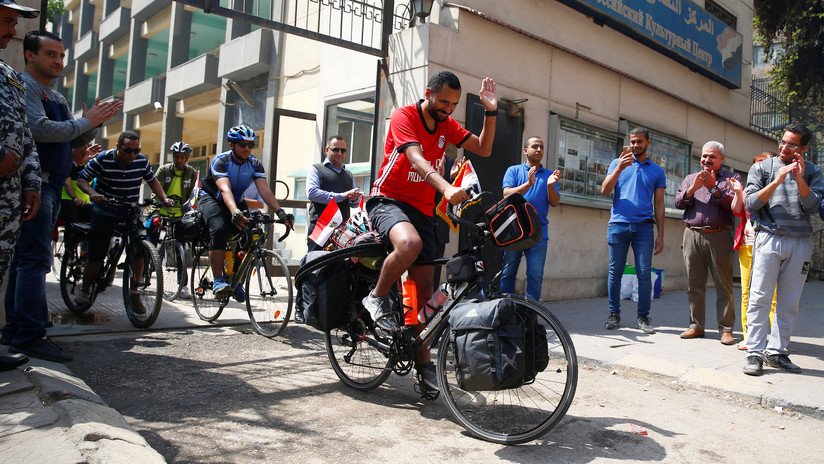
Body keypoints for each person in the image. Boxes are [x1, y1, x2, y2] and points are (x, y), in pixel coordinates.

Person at [364, 71, 498, 389]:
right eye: (443, 102)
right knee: (408, 244)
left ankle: (423, 365)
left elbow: (484, 148)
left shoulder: (446, 123)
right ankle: (376, 296)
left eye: (453, 104)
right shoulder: (404, 116)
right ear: (429, 93)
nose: (449, 109)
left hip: (423, 210)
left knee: (423, 294)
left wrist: (490, 111)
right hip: (388, 201)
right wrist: (446, 188)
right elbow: (415, 157)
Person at [4, 29, 121, 363]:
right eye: (50, 54)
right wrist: (83, 121)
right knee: (34, 261)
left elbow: (69, 142)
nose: (58, 61)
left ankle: (17, 331)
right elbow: (38, 129)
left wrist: (91, 125)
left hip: (52, 183)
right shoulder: (24, 86)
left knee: (28, 260)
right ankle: (29, 334)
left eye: (60, 56)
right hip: (36, 184)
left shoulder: (55, 96)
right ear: (29, 55)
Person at [742, 123, 824, 376]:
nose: (784, 147)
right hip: (768, 237)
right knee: (759, 297)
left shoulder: (813, 171)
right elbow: (751, 203)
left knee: (789, 301)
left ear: (804, 148)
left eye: (791, 144)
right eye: (782, 141)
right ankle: (755, 352)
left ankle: (777, 352)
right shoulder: (762, 167)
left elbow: (814, 207)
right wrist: (777, 180)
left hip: (799, 241)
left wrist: (799, 178)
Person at [73, 131, 175, 311]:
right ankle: (85, 288)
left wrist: (164, 198)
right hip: (105, 210)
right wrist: (94, 194)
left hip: (130, 209)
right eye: (128, 151)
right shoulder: (103, 159)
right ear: (119, 147)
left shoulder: (141, 161)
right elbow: (82, 180)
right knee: (97, 252)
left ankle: (134, 291)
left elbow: (152, 181)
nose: (133, 155)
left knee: (139, 250)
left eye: (137, 151)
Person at [198, 124, 294, 300]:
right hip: (213, 198)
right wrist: (234, 211)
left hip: (235, 199)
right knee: (218, 230)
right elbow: (225, 188)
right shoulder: (221, 161)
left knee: (251, 235)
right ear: (231, 144)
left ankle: (236, 279)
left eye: (251, 145)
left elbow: (265, 190)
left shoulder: (255, 164)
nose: (247, 149)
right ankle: (218, 280)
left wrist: (280, 212)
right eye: (243, 144)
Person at [0, 0, 41, 352]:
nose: (13, 31)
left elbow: (25, 135)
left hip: (9, 198)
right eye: (7, 21)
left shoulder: (9, 76)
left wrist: (31, 183)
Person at [674, 141, 742, 345]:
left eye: (712, 156)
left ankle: (726, 329)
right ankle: (696, 325)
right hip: (692, 235)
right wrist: (692, 189)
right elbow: (678, 202)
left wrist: (713, 188)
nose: (706, 160)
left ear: (722, 159)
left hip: (719, 235)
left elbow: (734, 206)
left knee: (724, 285)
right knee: (694, 284)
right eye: (704, 156)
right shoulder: (690, 178)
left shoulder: (732, 179)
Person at [600, 127, 666, 334]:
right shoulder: (616, 164)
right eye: (632, 142)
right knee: (615, 271)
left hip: (644, 227)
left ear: (648, 143)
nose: (635, 145)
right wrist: (619, 168)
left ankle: (643, 317)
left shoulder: (657, 171)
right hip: (618, 225)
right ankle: (614, 315)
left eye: (639, 142)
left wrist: (661, 235)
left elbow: (660, 204)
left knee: (644, 273)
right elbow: (604, 190)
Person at [499, 136, 561, 301]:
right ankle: (506, 311)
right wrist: (528, 183)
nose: (539, 149)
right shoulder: (513, 171)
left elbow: (554, 202)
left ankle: (530, 315)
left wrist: (550, 185)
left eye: (541, 146)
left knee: (535, 276)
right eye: (535, 146)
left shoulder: (549, 175)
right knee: (507, 274)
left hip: (538, 233)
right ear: (526, 150)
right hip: (514, 232)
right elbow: (506, 195)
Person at [731, 152, 777, 351]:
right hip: (747, 245)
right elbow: (736, 210)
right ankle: (749, 336)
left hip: (770, 245)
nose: (760, 168)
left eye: (764, 164)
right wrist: (739, 192)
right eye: (756, 164)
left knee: (773, 295)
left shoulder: (778, 187)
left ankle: (776, 340)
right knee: (747, 293)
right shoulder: (751, 188)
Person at [306, 135, 361, 251]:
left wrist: (354, 198)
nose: (340, 153)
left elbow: (354, 204)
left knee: (341, 265)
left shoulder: (348, 174)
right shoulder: (316, 169)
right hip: (320, 227)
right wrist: (342, 196)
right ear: (327, 150)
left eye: (343, 150)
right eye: (336, 149)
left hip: (343, 230)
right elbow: (312, 193)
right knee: (314, 263)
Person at [147, 141, 198, 243]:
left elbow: (193, 194)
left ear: (187, 158)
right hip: (161, 211)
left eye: (182, 157)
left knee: (182, 244)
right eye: (176, 157)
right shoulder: (164, 170)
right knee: (150, 241)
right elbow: (155, 192)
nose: (179, 160)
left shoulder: (191, 172)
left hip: (179, 215)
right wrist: (156, 212)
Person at [58, 143, 100, 244]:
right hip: (69, 200)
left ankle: (83, 255)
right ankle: (68, 255)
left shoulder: (88, 167)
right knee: (72, 229)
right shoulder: (70, 164)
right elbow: (67, 183)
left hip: (85, 203)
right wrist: (75, 198)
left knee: (90, 229)